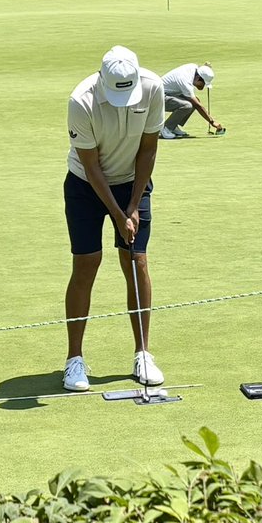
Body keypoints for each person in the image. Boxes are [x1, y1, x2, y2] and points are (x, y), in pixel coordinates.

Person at [62, 46, 166, 393]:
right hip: (85, 185)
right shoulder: (81, 100)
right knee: (87, 263)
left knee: (137, 263)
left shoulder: (152, 88)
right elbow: (91, 167)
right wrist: (119, 214)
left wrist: (133, 206)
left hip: (132, 183)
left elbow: (149, 148)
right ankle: (74, 359)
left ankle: (143, 354)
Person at [158, 63, 223, 139]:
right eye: (203, 84)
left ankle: (173, 126)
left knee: (194, 101)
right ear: (198, 78)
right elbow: (198, 106)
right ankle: (166, 128)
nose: (202, 87)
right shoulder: (186, 82)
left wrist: (205, 67)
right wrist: (212, 122)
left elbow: (199, 68)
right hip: (157, 98)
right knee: (188, 105)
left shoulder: (194, 68)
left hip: (168, 94)